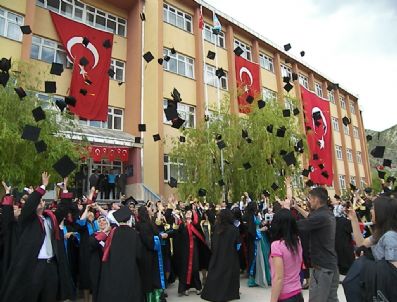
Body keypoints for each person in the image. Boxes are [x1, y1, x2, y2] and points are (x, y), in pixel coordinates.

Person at [0, 173, 76, 302]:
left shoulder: (50, 218)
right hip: (34, 265)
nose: (40, 202)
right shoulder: (27, 220)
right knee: (31, 296)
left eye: (42, 200)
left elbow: (63, 209)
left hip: (51, 265)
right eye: (38, 200)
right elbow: (29, 205)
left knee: (50, 296)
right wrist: (43, 187)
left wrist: (64, 189)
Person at [293, 187, 339, 302]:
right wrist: (296, 207)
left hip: (322, 268)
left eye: (310, 199)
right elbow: (310, 217)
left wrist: (285, 217)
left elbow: (300, 225)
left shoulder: (320, 216)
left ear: (316, 200)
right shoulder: (326, 213)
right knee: (331, 299)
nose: (309, 201)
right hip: (330, 265)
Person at [97, 206, 144, 302]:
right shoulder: (134, 233)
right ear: (128, 219)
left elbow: (107, 250)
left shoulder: (112, 233)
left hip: (114, 267)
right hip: (130, 268)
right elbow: (139, 254)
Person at [201, 209, 240, 302]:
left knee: (216, 272)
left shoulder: (216, 228)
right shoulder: (234, 229)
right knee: (229, 274)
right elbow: (238, 245)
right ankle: (230, 293)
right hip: (230, 256)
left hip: (217, 255)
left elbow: (213, 243)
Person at [270, 209, 303, 302]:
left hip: (285, 295)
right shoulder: (297, 242)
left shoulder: (276, 246)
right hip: (297, 293)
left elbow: (279, 278)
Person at [136, 206, 167, 301]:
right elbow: (149, 240)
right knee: (151, 277)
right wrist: (160, 237)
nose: (150, 209)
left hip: (151, 254)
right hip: (148, 254)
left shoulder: (148, 222)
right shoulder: (144, 225)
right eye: (148, 209)